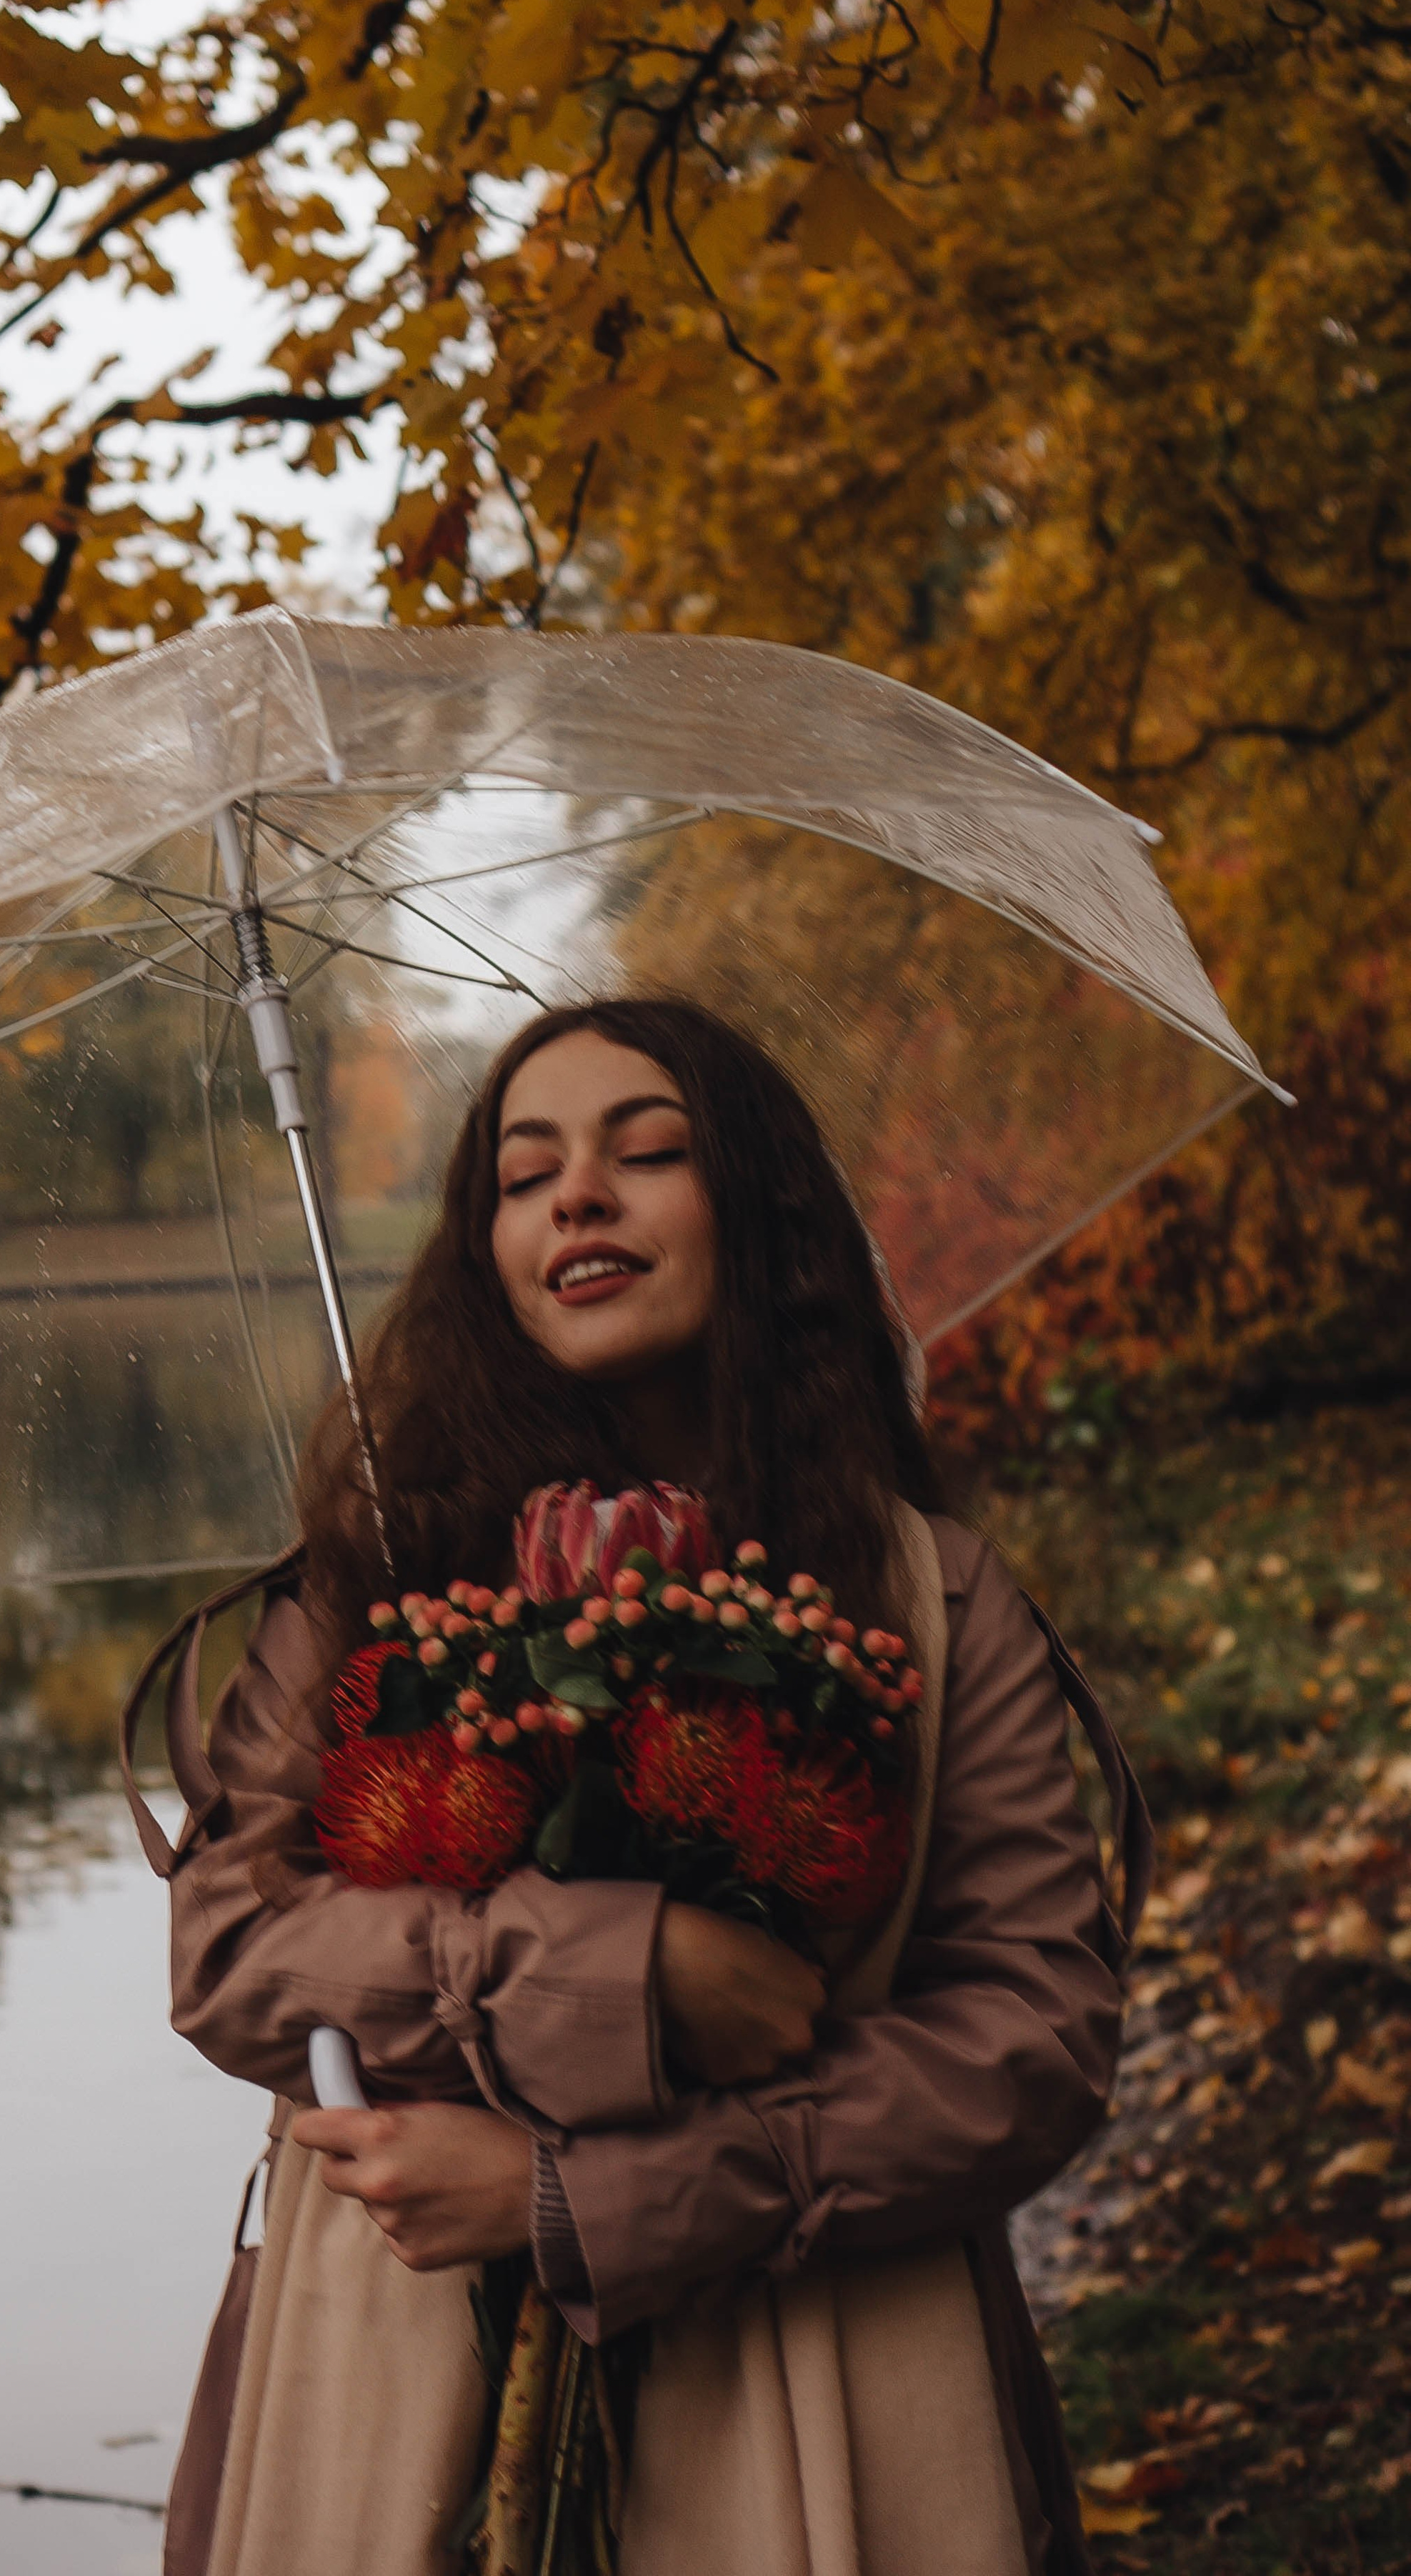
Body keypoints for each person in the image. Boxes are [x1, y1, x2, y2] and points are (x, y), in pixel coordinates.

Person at [121, 997, 1147, 2576]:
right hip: (395, 2379)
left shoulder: (929, 1600)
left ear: (759, 1212)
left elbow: (1032, 2034)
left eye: (645, 1153)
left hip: (818, 2384)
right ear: (490, 1249)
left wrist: (588, 2201)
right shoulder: (372, 1579)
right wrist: (620, 1969)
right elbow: (231, 1951)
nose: (576, 1198)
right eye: (525, 1178)